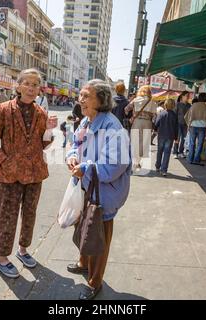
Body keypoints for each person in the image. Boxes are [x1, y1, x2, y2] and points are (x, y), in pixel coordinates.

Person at [0, 68, 58, 279]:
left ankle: (23, 249)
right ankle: (2, 258)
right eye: (27, 83)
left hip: (35, 173)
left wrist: (50, 130)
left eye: (35, 85)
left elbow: (44, 144)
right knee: (7, 215)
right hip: (9, 175)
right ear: (18, 86)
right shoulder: (3, 110)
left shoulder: (41, 113)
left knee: (30, 214)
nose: (31, 88)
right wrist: (5, 163)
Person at [66, 79, 131, 300]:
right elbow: (74, 144)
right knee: (84, 227)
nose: (81, 100)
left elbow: (114, 166)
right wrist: (72, 156)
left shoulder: (113, 128)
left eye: (86, 96)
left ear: (101, 100)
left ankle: (95, 282)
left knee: (99, 237)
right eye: (81, 95)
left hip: (105, 193)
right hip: (86, 188)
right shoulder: (86, 121)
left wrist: (84, 168)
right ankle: (84, 263)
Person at [124, 85, 157, 171]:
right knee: (144, 143)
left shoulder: (136, 100)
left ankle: (133, 161)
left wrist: (132, 114)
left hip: (137, 122)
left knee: (135, 142)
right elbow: (154, 115)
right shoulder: (152, 102)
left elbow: (126, 109)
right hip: (148, 123)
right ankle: (137, 162)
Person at [185, 93, 206, 165]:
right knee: (200, 144)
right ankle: (196, 159)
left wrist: (188, 125)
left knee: (192, 143)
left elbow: (187, 116)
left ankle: (190, 159)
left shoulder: (194, 105)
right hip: (202, 127)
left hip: (193, 126)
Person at [154, 99, 178, 176]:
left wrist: (155, 129)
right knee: (167, 153)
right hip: (170, 136)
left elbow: (156, 123)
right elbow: (176, 128)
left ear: (165, 105)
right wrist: (176, 138)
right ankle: (163, 170)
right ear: (174, 105)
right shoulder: (174, 115)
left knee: (159, 151)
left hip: (161, 135)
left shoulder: (161, 113)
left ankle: (157, 166)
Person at [173, 91, 192, 159]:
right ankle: (175, 152)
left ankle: (181, 152)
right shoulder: (177, 104)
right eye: (187, 95)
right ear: (182, 96)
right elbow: (174, 114)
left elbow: (190, 115)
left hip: (186, 124)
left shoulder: (189, 105)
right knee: (177, 138)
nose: (188, 97)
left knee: (184, 139)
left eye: (188, 96)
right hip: (178, 123)